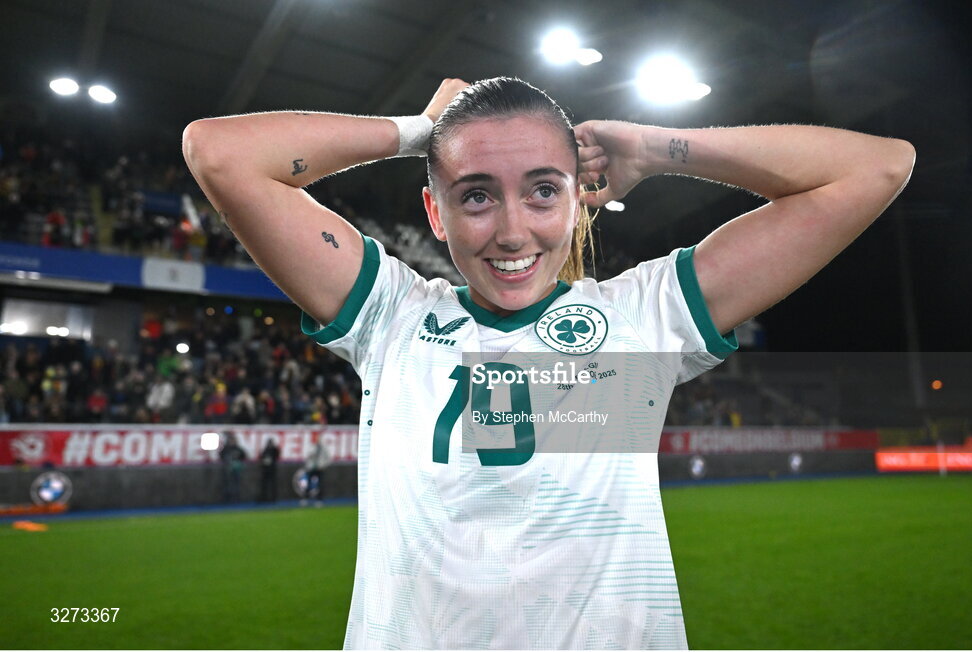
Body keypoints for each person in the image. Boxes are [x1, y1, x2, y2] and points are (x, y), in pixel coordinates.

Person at [183, 77, 914, 649]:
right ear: (434, 213)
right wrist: (418, 132)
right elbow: (219, 154)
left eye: (542, 190)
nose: (512, 231)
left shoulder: (643, 321)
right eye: (475, 195)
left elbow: (878, 168)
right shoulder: (391, 317)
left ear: (577, 200)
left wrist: (657, 149)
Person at [218, 430, 246, 503]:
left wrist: (238, 462)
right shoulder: (226, 449)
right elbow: (221, 456)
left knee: (236, 485)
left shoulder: (238, 449)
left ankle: (236, 499)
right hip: (227, 470)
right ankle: (227, 499)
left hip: (236, 470)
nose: (232, 441)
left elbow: (244, 456)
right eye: (230, 440)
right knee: (227, 485)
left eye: (233, 440)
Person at [302, 432, 329, 506]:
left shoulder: (323, 448)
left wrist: (323, 465)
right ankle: (305, 498)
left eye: (319, 438)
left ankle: (319, 500)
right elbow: (307, 456)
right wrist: (308, 464)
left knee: (320, 484)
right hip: (311, 468)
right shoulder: (311, 446)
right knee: (308, 483)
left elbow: (328, 458)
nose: (318, 440)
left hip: (319, 468)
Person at [258, 436, 280, 503]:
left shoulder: (274, 450)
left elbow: (277, 455)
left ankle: (273, 498)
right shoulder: (265, 450)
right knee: (265, 485)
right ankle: (264, 497)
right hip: (265, 470)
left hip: (272, 469)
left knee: (272, 484)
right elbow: (261, 457)